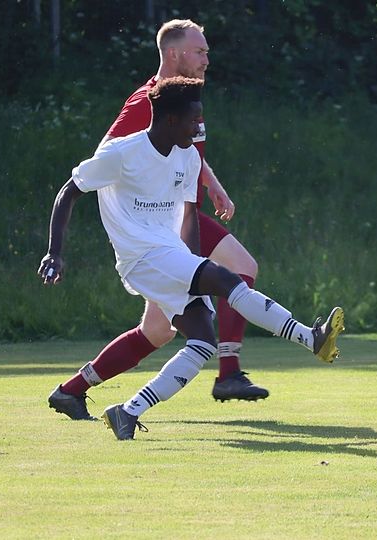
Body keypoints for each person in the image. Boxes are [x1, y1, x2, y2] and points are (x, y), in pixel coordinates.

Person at [37, 76, 345, 440]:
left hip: (171, 256)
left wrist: (195, 264)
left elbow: (187, 218)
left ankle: (127, 412)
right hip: (141, 259)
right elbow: (68, 192)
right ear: (170, 119)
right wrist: (54, 253)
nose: (199, 128)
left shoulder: (187, 157)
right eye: (193, 119)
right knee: (228, 279)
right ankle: (310, 338)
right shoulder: (122, 153)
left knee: (202, 342)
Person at [46, 20, 268, 421]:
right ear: (174, 54)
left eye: (206, 52)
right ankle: (228, 372)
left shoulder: (183, 98)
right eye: (199, 52)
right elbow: (105, 159)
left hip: (178, 216)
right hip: (163, 223)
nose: (207, 60)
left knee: (158, 331)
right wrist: (131, 219)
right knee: (241, 266)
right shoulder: (146, 102)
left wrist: (212, 184)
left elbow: (186, 150)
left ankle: (71, 391)